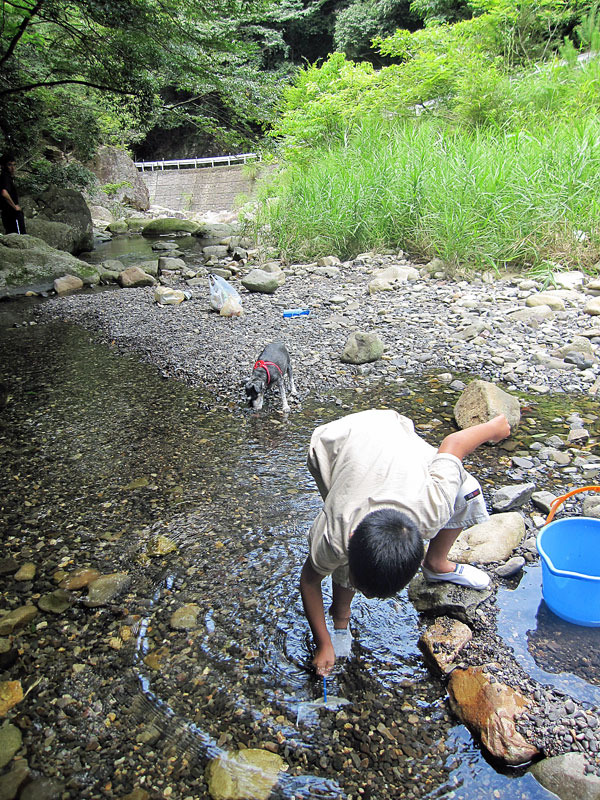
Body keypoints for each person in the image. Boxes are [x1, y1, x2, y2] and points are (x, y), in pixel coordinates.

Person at [300, 409, 511, 676]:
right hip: (335, 443)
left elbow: (454, 446)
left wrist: (494, 428)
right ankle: (341, 617)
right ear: (352, 539)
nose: (365, 594)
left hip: (391, 432)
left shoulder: (432, 509)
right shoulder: (336, 534)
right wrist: (323, 642)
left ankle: (436, 563)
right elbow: (309, 581)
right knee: (341, 563)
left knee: (467, 490)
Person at [0, 153, 26, 234]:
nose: (13, 168)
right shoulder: (5, 177)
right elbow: (4, 192)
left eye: (14, 165)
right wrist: (14, 207)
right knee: (20, 237)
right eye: (9, 165)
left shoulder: (6, 177)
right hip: (11, 214)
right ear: (3, 166)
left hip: (8, 214)